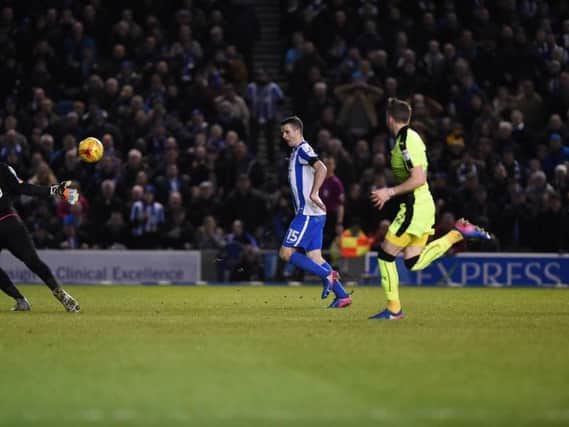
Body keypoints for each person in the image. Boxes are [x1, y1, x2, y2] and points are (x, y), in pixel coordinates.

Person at [369, 98, 491, 320]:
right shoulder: (405, 140)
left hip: (414, 205)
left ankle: (394, 310)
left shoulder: (407, 140)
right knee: (412, 262)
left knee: (385, 255)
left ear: (389, 118)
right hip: (420, 205)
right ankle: (457, 234)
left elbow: (418, 178)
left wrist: (389, 192)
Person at [278, 116, 352, 308]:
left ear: (297, 130)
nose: (284, 136)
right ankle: (342, 296)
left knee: (286, 253)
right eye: (282, 133)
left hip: (308, 213)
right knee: (315, 258)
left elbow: (322, 167)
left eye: (287, 131)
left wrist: (314, 193)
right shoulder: (296, 151)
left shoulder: (303, 149)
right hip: (314, 214)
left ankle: (327, 275)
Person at [0, 162, 81, 312]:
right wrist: (54, 190)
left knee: (33, 261)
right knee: (33, 261)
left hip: (7, 220)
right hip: (9, 220)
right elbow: (23, 188)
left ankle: (20, 300)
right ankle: (60, 293)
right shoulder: (3, 168)